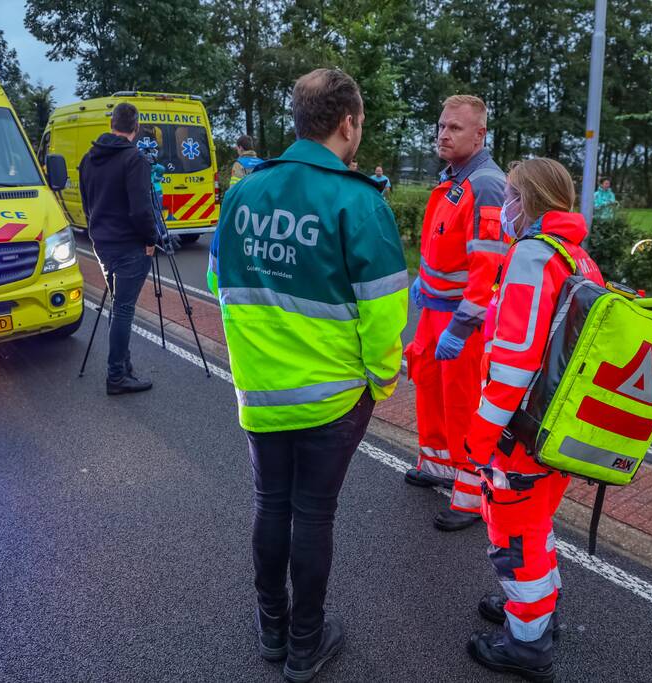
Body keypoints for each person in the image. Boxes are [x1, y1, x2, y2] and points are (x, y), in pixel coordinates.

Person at [207, 69, 408, 682]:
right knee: (313, 515)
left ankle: (272, 631)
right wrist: (382, 381)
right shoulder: (359, 201)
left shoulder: (245, 192)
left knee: (271, 505)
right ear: (348, 123)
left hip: (261, 389)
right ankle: (305, 644)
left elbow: (218, 280)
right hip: (334, 397)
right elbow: (383, 314)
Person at [464, 158, 604, 681]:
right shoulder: (579, 258)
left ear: (527, 199)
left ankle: (527, 642)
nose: (504, 207)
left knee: (514, 536)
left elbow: (514, 357)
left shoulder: (531, 256)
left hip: (519, 433)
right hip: (555, 427)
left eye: (509, 195)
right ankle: (537, 611)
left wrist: (483, 434)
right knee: (536, 526)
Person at [404, 94, 506, 532]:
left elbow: (488, 265)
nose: (443, 134)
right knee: (428, 382)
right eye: (441, 126)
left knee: (464, 402)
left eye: (455, 128)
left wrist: (462, 327)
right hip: (435, 310)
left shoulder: (485, 184)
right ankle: (439, 466)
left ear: (480, 134)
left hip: (462, 319)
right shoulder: (455, 178)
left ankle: (469, 495)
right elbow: (444, 249)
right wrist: (423, 283)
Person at [78, 102, 157, 395]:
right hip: (128, 245)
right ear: (135, 127)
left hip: (102, 243)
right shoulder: (134, 159)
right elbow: (140, 209)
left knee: (118, 305)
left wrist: (96, 229)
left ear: (112, 123)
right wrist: (151, 239)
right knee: (124, 308)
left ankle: (124, 367)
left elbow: (87, 203)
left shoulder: (89, 158)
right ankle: (116, 376)